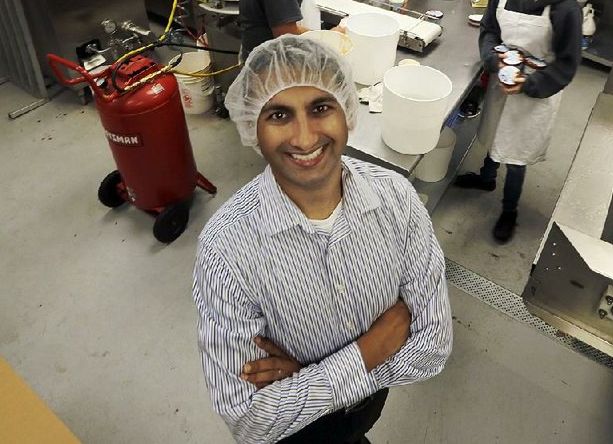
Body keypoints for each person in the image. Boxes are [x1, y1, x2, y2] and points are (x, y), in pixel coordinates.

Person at [193, 35, 453, 444]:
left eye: (320, 108)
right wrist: (370, 351)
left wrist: (307, 377)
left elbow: (433, 348)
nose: (304, 137)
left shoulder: (396, 199)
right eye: (278, 115)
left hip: (366, 410)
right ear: (251, 128)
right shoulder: (228, 248)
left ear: (346, 111)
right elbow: (252, 421)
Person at [454, 0, 587, 243]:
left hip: (536, 93)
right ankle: (487, 178)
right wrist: (492, 61)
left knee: (516, 153)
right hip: (504, 80)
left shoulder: (566, 8)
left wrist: (530, 83)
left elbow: (567, 65)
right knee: (495, 133)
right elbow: (489, 30)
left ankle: (509, 210)